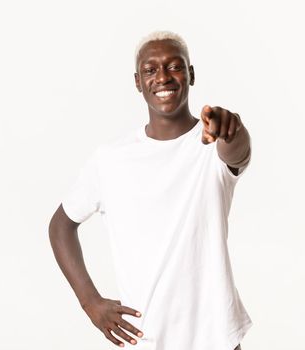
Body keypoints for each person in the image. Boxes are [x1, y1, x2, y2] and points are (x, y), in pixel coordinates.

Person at [48, 30, 253, 350]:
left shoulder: (212, 144)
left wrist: (232, 128)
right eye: (150, 69)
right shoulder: (111, 159)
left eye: (174, 66)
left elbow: (236, 152)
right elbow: (61, 225)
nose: (162, 77)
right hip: (146, 338)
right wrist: (90, 301)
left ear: (191, 74)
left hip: (215, 339)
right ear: (137, 81)